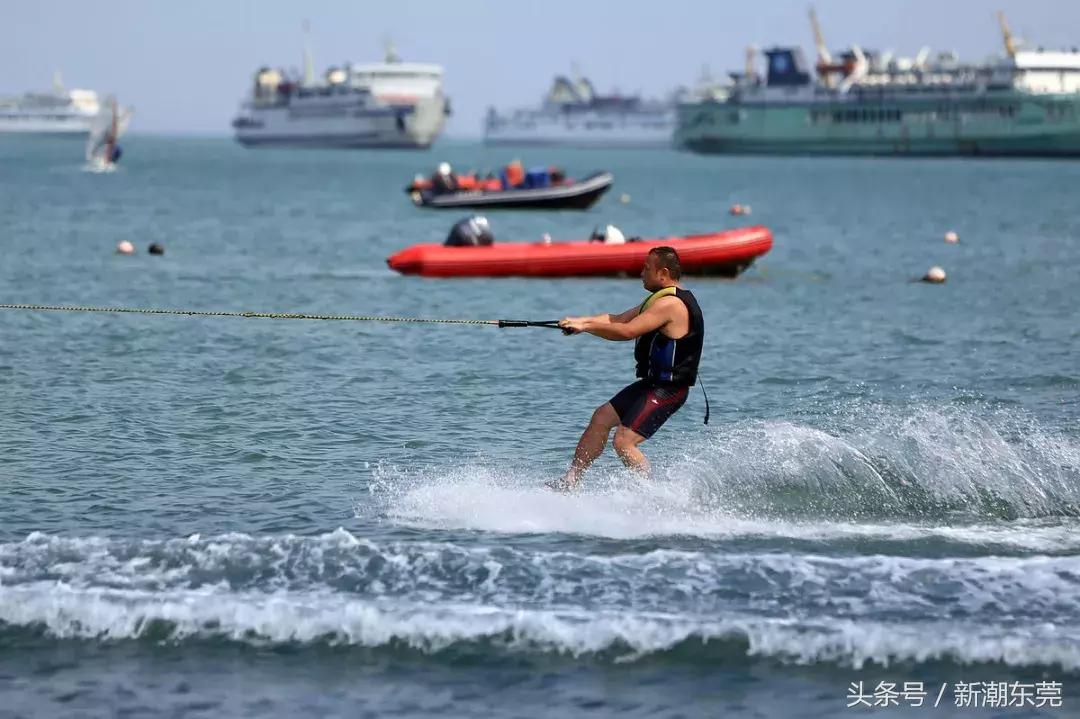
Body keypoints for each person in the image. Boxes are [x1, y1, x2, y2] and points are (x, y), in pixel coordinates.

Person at [552, 246, 703, 490]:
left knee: (624, 441)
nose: (641, 272)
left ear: (663, 273)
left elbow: (627, 331)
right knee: (601, 418)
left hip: (669, 389)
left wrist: (586, 328)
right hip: (653, 385)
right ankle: (570, 482)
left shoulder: (671, 305)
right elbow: (618, 319)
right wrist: (581, 321)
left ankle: (651, 497)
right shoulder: (659, 299)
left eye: (646, 268)